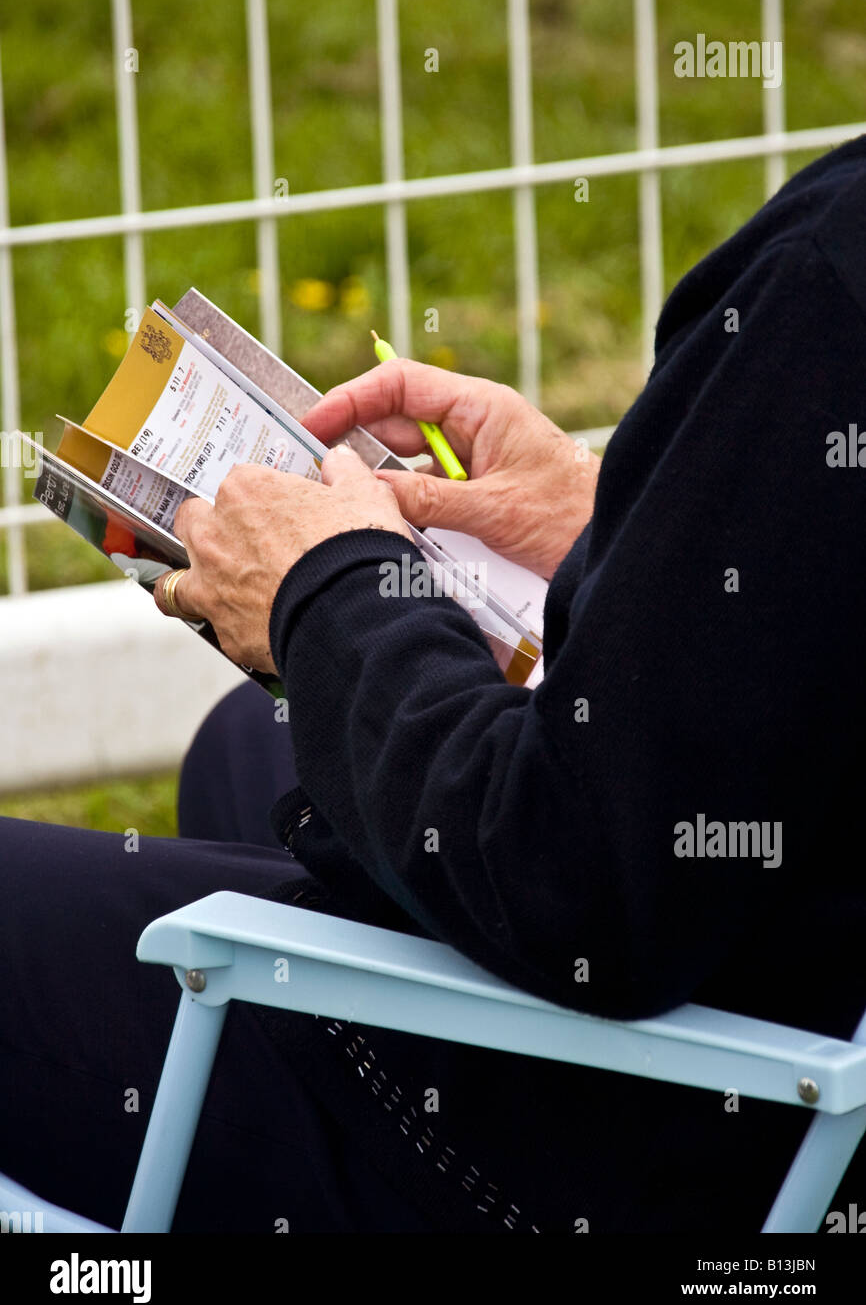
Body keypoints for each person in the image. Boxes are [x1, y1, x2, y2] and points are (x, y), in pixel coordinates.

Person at [2, 133, 866, 1233]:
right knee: (242, 744)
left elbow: (575, 878)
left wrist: (330, 588)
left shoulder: (832, 291)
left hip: (662, 1127)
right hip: (782, 977)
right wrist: (617, 537)